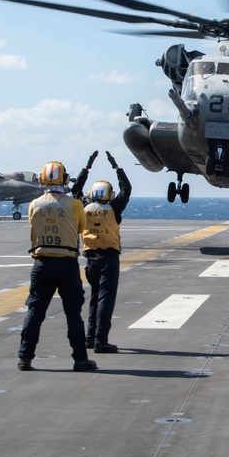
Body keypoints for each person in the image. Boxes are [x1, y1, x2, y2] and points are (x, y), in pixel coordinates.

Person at [17, 160, 97, 373]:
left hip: (41, 263)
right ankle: (80, 359)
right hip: (66, 263)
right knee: (73, 314)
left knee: (34, 312)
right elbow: (82, 227)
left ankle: (25, 358)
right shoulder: (75, 204)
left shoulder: (34, 204)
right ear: (65, 179)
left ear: (42, 179)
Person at [79, 151, 131, 353]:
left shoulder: (83, 207)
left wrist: (87, 167)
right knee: (105, 301)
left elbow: (75, 190)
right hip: (109, 259)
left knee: (93, 299)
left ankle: (90, 338)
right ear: (109, 194)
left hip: (91, 260)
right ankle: (101, 340)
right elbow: (127, 188)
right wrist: (117, 167)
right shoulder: (114, 208)